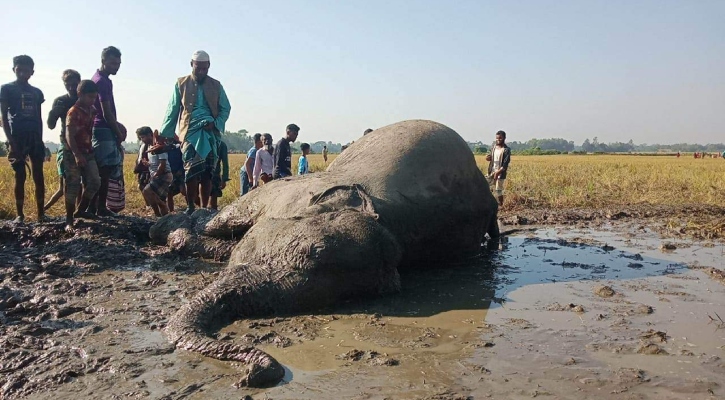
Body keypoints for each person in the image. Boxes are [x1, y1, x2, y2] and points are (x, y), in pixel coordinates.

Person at [159, 50, 231, 215]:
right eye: (198, 68)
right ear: (192, 65)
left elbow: (225, 108)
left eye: (204, 69)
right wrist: (165, 134)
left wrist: (216, 123)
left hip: (210, 133)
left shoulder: (216, 85)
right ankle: (191, 206)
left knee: (207, 171)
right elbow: (173, 110)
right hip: (190, 132)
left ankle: (203, 208)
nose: (201, 72)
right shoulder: (181, 84)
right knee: (191, 170)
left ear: (209, 67)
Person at [0, 55, 47, 223]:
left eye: (26, 70)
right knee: (20, 176)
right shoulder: (6, 89)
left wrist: (40, 140)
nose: (23, 73)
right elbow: (4, 118)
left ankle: (41, 214)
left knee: (38, 176)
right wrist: (11, 143)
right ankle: (20, 215)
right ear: (14, 70)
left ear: (32, 72)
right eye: (19, 70)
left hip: (34, 136)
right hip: (17, 137)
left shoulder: (36, 92)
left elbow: (39, 118)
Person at [90, 46, 126, 216]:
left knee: (103, 170)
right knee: (104, 171)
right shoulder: (102, 81)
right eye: (113, 63)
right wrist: (118, 132)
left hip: (102, 128)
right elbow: (106, 111)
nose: (116, 67)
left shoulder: (100, 79)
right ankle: (100, 208)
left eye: (118, 64)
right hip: (103, 129)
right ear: (103, 61)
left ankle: (96, 207)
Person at [63, 80, 103, 232]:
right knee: (73, 184)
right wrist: (76, 154)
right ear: (80, 94)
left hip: (87, 150)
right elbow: (69, 134)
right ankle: (69, 219)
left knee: (95, 181)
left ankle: (81, 210)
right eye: (90, 97)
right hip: (73, 152)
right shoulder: (73, 112)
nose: (92, 100)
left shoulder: (92, 110)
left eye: (94, 97)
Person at [45, 69, 81, 212]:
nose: (71, 87)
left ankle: (79, 212)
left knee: (82, 183)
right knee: (68, 184)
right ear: (64, 84)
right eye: (68, 84)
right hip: (66, 144)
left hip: (84, 143)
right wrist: (53, 113)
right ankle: (67, 215)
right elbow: (51, 125)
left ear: (79, 83)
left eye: (74, 84)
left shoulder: (84, 99)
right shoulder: (61, 101)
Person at [138, 127, 172, 217]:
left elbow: (163, 164)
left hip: (164, 174)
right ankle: (162, 217)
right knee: (157, 196)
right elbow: (154, 163)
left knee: (147, 191)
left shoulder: (158, 146)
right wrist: (148, 164)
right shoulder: (149, 147)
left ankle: (161, 210)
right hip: (158, 174)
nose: (142, 140)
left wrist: (156, 175)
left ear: (150, 135)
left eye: (143, 137)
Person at [486, 130, 511, 208]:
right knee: (486, 186)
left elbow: (505, 164)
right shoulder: (493, 147)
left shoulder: (506, 150)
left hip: (500, 173)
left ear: (504, 138)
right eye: (497, 138)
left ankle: (501, 205)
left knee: (498, 190)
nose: (498, 140)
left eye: (500, 138)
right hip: (492, 170)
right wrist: (488, 158)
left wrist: (498, 172)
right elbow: (490, 157)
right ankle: (488, 204)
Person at [166, 136, 185, 212]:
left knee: (184, 191)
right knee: (169, 193)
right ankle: (171, 212)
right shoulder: (164, 148)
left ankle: (192, 207)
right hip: (170, 172)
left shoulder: (180, 147)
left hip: (180, 171)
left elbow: (184, 158)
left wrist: (181, 169)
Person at [210, 139, 229, 210]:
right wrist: (224, 178)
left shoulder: (222, 145)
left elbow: (225, 163)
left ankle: (210, 210)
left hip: (214, 174)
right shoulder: (221, 144)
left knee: (214, 195)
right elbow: (225, 163)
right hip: (209, 173)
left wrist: (224, 178)